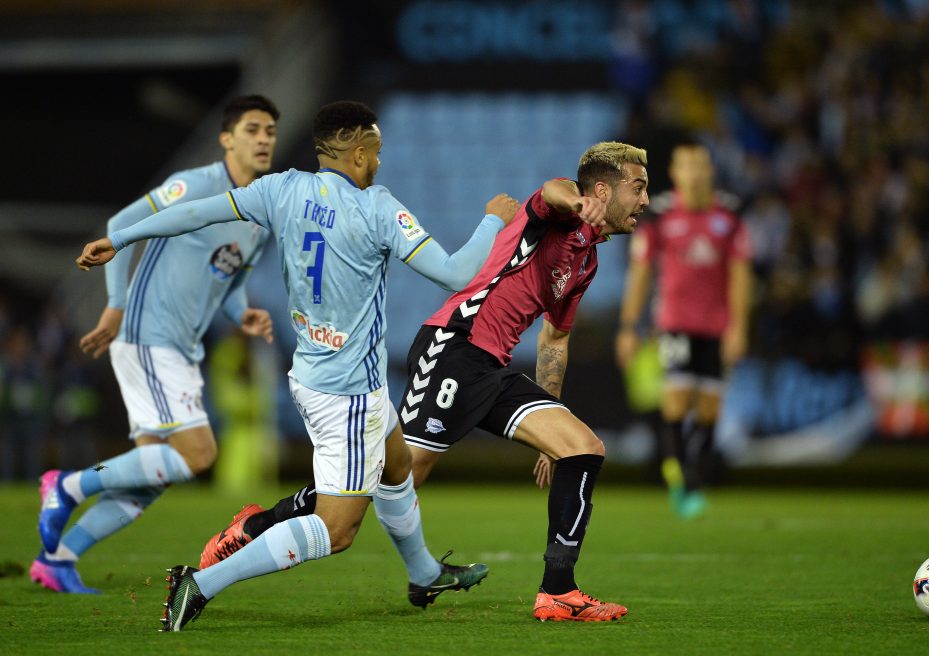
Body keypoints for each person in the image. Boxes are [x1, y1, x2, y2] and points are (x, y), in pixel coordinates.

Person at [76, 100, 520, 631]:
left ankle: (424, 572)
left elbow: (200, 212)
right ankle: (202, 582)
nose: (380, 159)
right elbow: (454, 274)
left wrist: (122, 237)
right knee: (336, 530)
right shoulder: (376, 207)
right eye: (376, 150)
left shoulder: (281, 189)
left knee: (396, 465)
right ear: (359, 153)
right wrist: (493, 220)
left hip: (323, 373)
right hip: (347, 392)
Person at [201, 141, 650, 623]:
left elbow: (555, 340)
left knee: (582, 448)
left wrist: (548, 432)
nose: (646, 201)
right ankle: (254, 527)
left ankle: (558, 591)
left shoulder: (586, 261)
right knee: (393, 478)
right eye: (638, 187)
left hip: (492, 369)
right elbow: (551, 191)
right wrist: (576, 202)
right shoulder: (558, 216)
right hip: (453, 348)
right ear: (602, 189)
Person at [32, 95, 281, 594]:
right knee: (199, 454)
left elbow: (227, 281)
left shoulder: (258, 214)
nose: (263, 139)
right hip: (147, 334)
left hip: (182, 349)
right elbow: (120, 226)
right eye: (252, 129)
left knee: (148, 482)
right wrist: (116, 303)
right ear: (226, 138)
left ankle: (58, 559)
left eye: (271, 132)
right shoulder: (196, 185)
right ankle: (67, 485)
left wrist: (242, 314)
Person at [615, 143, 752, 518]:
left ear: (709, 171)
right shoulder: (658, 215)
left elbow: (740, 275)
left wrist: (739, 327)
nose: (694, 174)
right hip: (673, 323)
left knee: (709, 409)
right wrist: (629, 326)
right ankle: (683, 479)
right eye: (686, 167)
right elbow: (641, 273)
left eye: (700, 166)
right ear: (675, 173)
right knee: (676, 398)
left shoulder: (730, 214)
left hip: (716, 325)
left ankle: (683, 466)